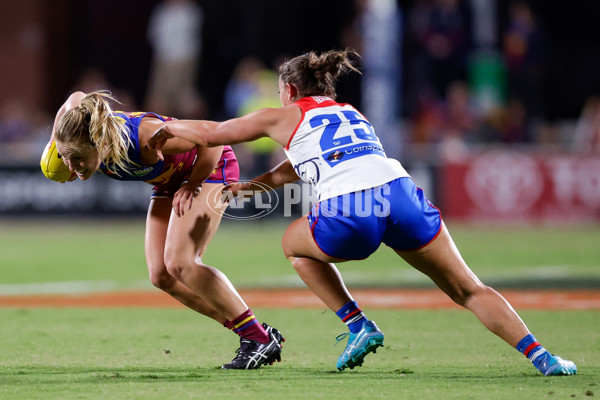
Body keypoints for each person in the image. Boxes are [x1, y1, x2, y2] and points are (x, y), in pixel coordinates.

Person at [147, 49, 577, 376]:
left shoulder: (281, 116)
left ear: (290, 91)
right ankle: (544, 358)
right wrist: (253, 187)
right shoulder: (351, 112)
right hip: (401, 194)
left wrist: (163, 128)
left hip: (353, 207)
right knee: (467, 288)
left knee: (293, 244)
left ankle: (358, 325)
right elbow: (296, 168)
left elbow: (212, 134)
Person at [48, 90, 284, 369]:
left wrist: (195, 183)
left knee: (181, 263)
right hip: (169, 180)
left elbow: (213, 139)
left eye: (76, 159)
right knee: (161, 275)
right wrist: (56, 142)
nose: (71, 167)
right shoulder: (75, 125)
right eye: (66, 157)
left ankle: (257, 337)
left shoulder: (144, 138)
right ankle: (254, 335)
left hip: (209, 168)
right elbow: (75, 97)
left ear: (98, 142)